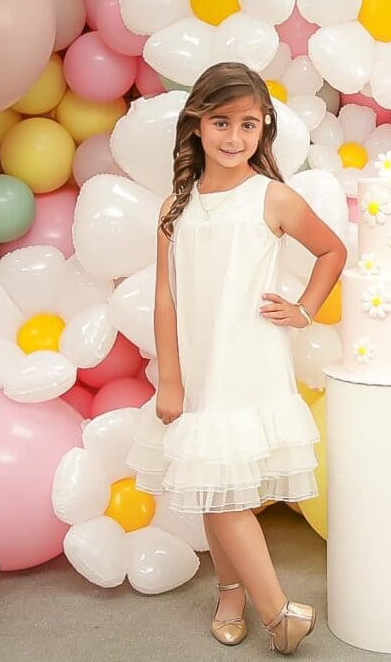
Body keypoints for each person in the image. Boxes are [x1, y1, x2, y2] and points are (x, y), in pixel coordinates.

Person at [126, 62, 347, 655]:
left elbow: (332, 249)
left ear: (264, 129)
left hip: (251, 360)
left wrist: (304, 308)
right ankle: (250, 600)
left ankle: (262, 607)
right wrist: (168, 378)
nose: (233, 137)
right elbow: (165, 296)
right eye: (221, 122)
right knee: (213, 481)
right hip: (199, 366)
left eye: (248, 124)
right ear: (197, 124)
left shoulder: (271, 196)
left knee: (228, 490)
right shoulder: (178, 207)